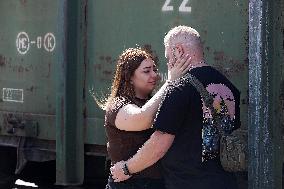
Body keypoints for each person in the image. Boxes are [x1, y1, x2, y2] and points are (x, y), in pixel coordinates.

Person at [110, 26, 241, 189]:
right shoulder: (227, 85)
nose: (168, 63)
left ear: (177, 50)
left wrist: (126, 168)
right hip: (225, 181)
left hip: (188, 182)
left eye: (167, 57)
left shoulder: (179, 88)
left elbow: (159, 145)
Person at [101, 47, 191, 189]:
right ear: (130, 77)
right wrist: (170, 82)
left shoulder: (152, 101)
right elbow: (142, 119)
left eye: (154, 70)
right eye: (146, 71)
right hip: (127, 184)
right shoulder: (118, 104)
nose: (154, 75)